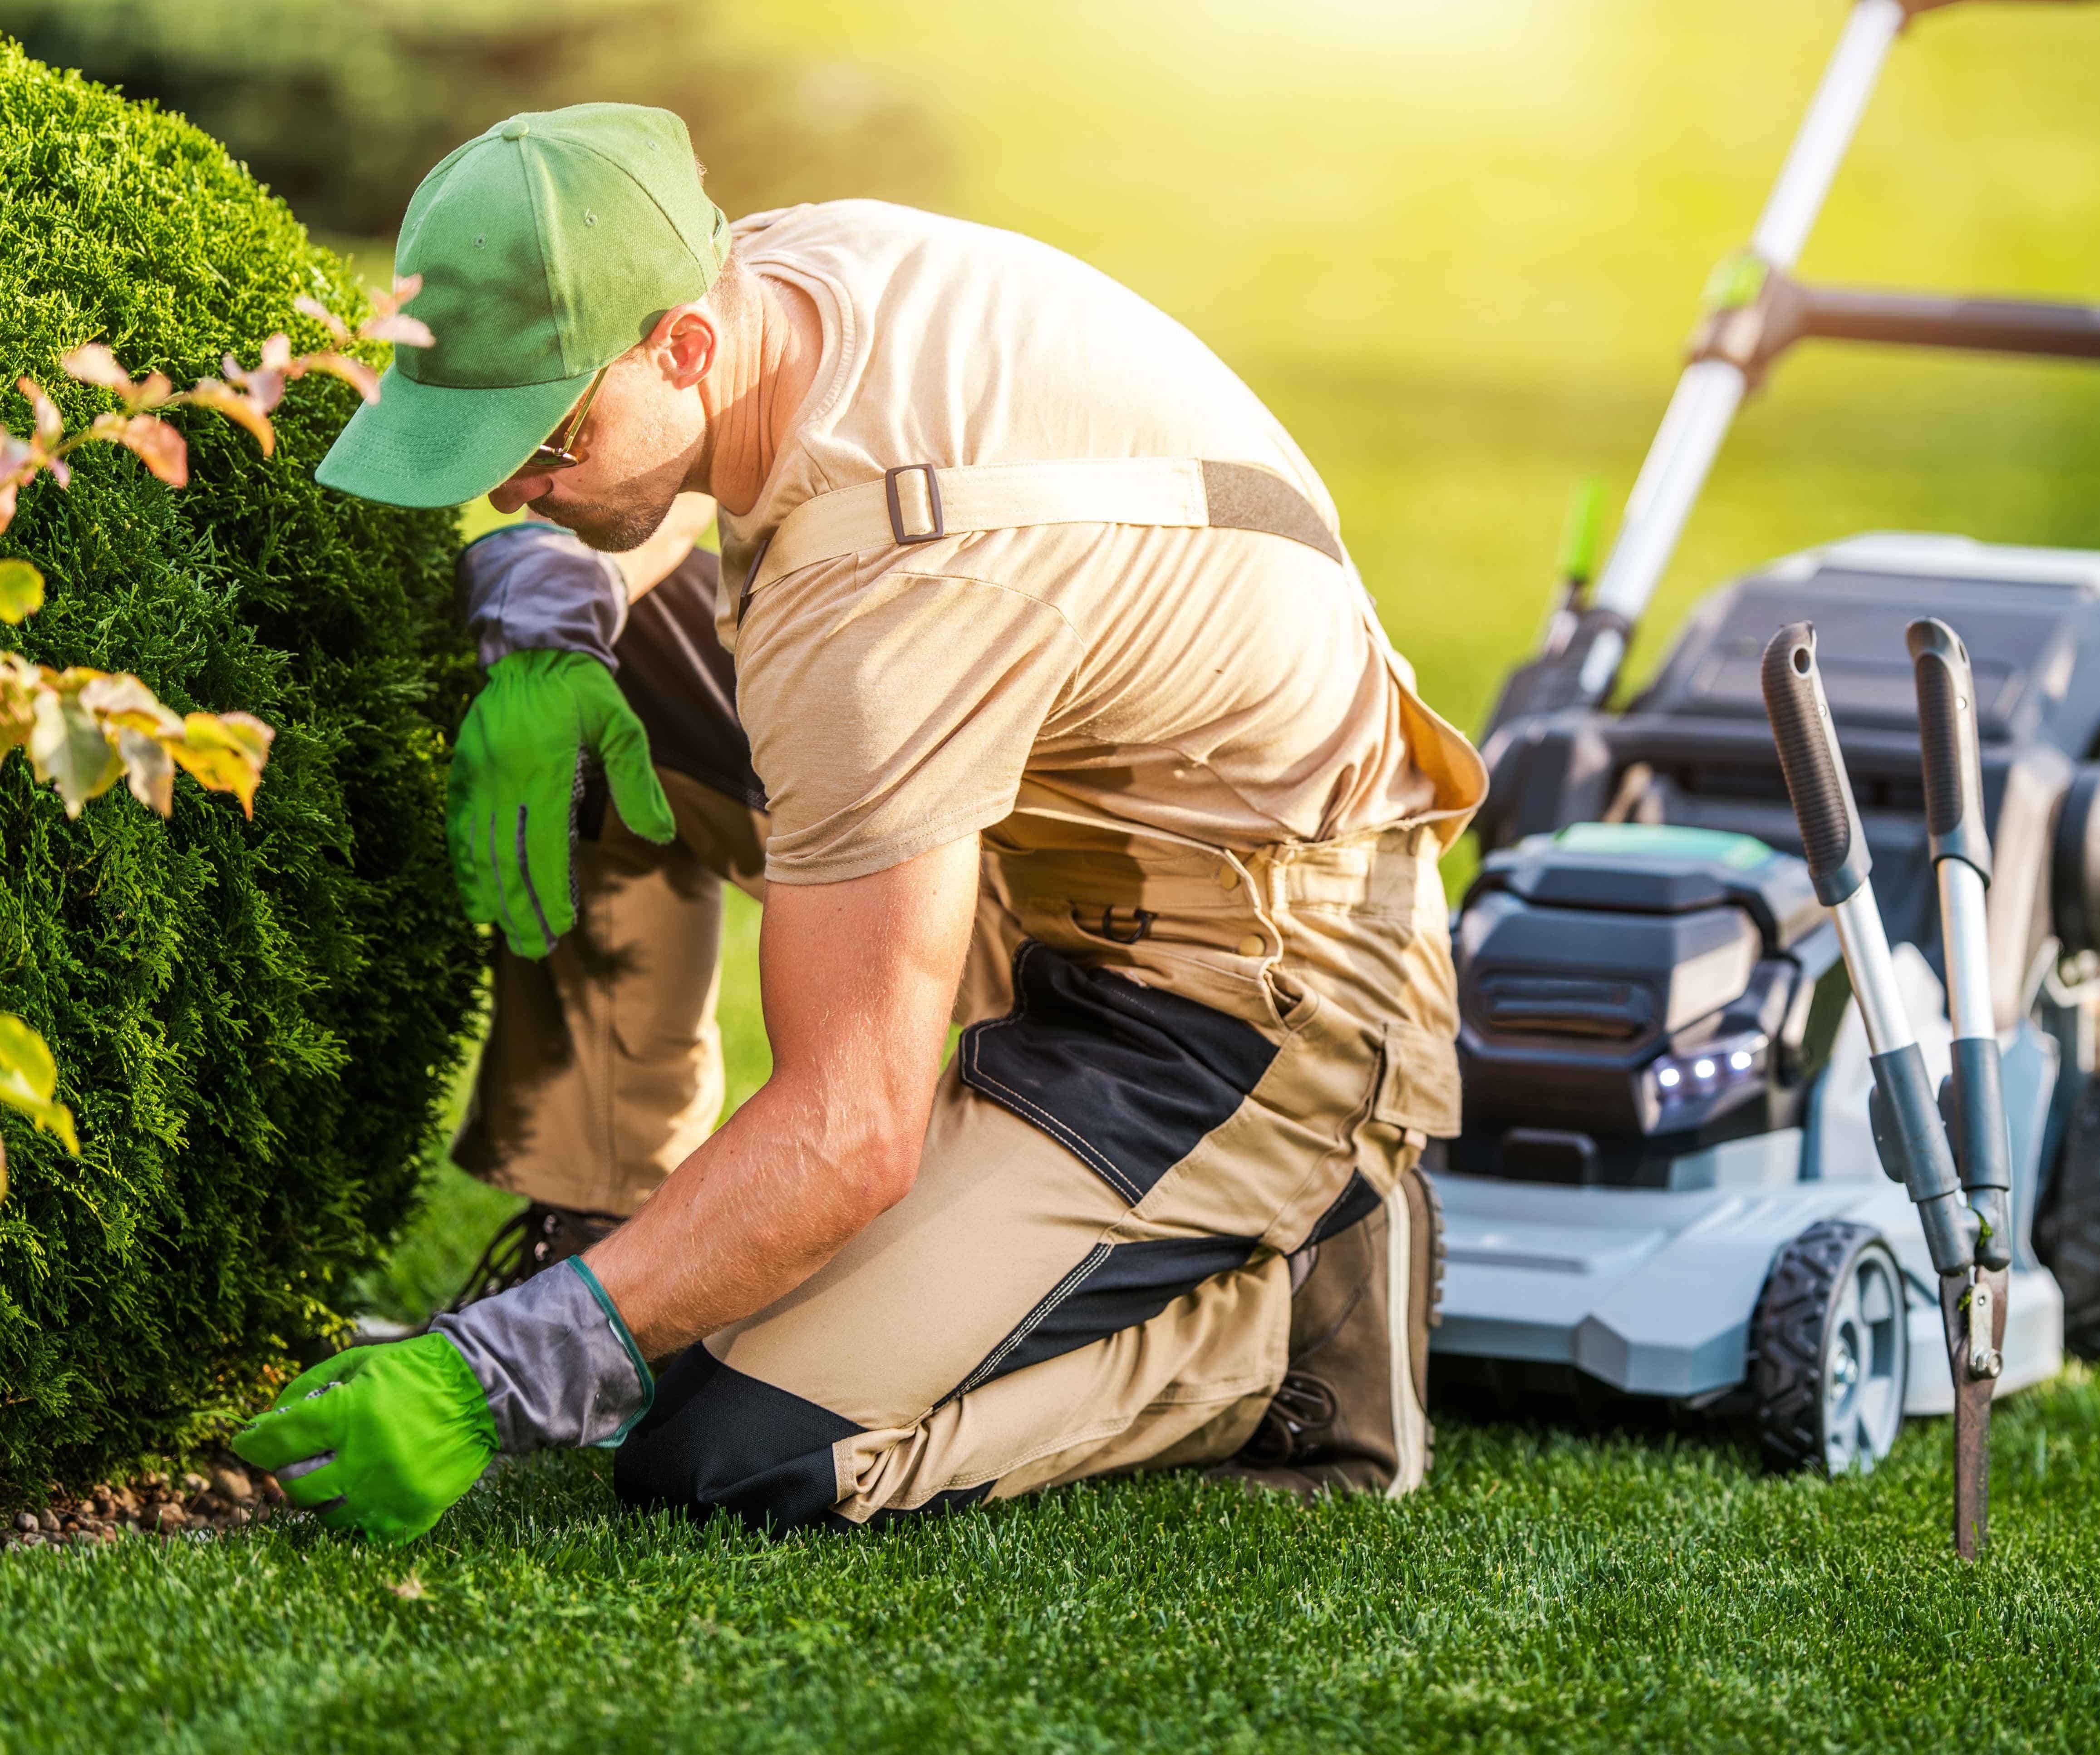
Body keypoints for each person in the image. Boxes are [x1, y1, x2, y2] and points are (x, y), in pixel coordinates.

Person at [230, 103, 1483, 1543]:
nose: (513, 485)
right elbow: (657, 519)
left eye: (547, 439)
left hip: (1247, 997)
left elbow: (849, 1128)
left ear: (683, 345)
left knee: (728, 1448)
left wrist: (511, 1373)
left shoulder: (890, 595)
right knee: (602, 674)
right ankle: (591, 1222)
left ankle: (1267, 1341)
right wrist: (546, 632)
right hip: (1049, 826)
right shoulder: (772, 279)